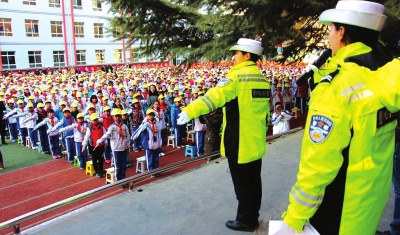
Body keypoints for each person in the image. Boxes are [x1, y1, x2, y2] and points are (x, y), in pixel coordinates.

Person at [275, 1, 394, 234]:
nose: (329, 36)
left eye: (331, 29)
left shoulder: (336, 87)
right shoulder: (387, 72)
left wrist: (294, 218)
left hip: (339, 210)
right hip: (369, 203)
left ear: (342, 32)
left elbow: (318, 165)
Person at [177, 38, 270, 232]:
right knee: (254, 181)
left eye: (237, 53)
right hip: (256, 140)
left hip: (239, 140)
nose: (233, 56)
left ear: (247, 55)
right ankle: (252, 216)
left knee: (242, 184)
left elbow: (214, 97)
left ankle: (245, 220)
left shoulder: (237, 77)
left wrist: (191, 110)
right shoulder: (261, 79)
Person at [95, 109, 130, 188]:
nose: (117, 118)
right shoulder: (112, 127)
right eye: (116, 116)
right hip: (116, 149)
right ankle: (119, 181)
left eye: (119, 116)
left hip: (123, 148)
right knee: (117, 166)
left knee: (123, 165)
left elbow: (128, 136)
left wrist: (128, 146)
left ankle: (123, 179)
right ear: (113, 117)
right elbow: (106, 135)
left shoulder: (124, 126)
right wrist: (99, 141)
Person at [131, 108, 163, 177]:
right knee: (150, 159)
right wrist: (132, 139)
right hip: (149, 145)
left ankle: (156, 170)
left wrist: (160, 143)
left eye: (152, 115)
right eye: (149, 115)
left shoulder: (157, 123)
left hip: (156, 144)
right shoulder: (145, 124)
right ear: (147, 115)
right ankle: (151, 172)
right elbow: (138, 131)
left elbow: (159, 134)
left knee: (156, 159)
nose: (151, 116)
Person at [82, 113, 107, 178]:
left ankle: (101, 170)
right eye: (94, 120)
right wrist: (84, 145)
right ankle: (97, 171)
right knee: (95, 159)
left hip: (101, 145)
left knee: (101, 158)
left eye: (96, 119)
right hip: (93, 146)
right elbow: (87, 137)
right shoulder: (90, 128)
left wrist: (106, 142)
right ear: (91, 120)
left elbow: (105, 134)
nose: (95, 121)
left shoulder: (101, 126)